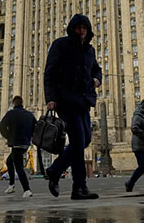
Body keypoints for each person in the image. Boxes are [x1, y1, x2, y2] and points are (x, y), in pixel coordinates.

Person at [43, 14, 102, 200]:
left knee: (84, 141)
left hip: (83, 101)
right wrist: (51, 98)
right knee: (77, 141)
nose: (82, 30)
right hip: (66, 100)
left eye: (85, 27)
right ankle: (79, 188)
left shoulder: (89, 50)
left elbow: (96, 69)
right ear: (72, 28)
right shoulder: (60, 44)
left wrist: (96, 79)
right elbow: (49, 72)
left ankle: (54, 170)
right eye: (78, 27)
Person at [0, 95, 36, 197]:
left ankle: (27, 190)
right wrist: (30, 137)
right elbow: (35, 127)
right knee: (9, 161)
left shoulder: (11, 113)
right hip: (25, 144)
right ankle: (11, 185)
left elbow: (2, 126)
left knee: (19, 167)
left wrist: (8, 136)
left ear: (14, 103)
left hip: (16, 144)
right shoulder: (29, 114)